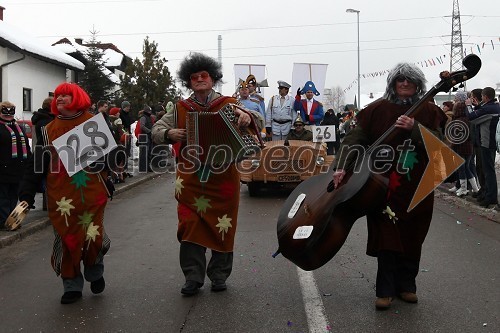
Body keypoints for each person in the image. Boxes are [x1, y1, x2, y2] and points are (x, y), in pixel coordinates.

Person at [332, 62, 446, 310]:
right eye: (400, 79)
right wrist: (341, 166)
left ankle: (407, 286)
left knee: (414, 235)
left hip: (418, 184)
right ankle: (384, 289)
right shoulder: (376, 109)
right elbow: (354, 139)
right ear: (393, 83)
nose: (404, 83)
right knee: (387, 234)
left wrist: (415, 128)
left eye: (410, 79)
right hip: (382, 184)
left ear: (418, 84)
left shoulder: (429, 111)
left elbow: (440, 144)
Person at [152, 52, 258, 296]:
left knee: (224, 225)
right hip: (190, 178)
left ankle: (219, 275)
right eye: (194, 77)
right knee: (189, 226)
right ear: (188, 82)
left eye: (204, 75)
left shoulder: (229, 103)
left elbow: (258, 119)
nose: (199, 79)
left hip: (222, 178)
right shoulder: (180, 108)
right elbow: (157, 128)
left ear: (212, 79)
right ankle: (193, 277)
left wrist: (247, 115)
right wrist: (169, 135)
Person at [18, 83, 112, 304]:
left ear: (77, 98)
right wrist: (26, 195)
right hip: (61, 196)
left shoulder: (92, 122)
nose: (59, 99)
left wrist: (109, 173)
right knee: (66, 238)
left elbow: (110, 157)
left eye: (65, 96)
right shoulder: (47, 129)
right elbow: (37, 164)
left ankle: (95, 270)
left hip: (91, 192)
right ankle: (71, 285)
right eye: (58, 96)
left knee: (93, 235)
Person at [0, 101, 31, 231]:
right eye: (5, 112)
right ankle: (3, 222)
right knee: (3, 198)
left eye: (11, 112)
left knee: (13, 197)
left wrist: (30, 162)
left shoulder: (18, 128)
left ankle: (11, 221)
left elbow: (26, 148)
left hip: (18, 169)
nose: (8, 115)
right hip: (2, 170)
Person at [467, 86, 500, 208]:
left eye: (482, 97)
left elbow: (472, 117)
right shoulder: (495, 106)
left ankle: (491, 196)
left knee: (488, 171)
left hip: (486, 142)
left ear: (485, 97)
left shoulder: (488, 108)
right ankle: (488, 193)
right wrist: (477, 106)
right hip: (491, 142)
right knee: (486, 169)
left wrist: (470, 106)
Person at [451, 91, 480, 197]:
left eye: (456, 99)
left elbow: (456, 135)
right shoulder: (467, 116)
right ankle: (475, 188)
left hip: (461, 145)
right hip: (468, 145)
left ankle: (463, 189)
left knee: (462, 168)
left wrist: (453, 145)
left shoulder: (459, 118)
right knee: (467, 167)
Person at [119, 100, 134, 178]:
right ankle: (123, 170)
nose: (129, 108)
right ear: (124, 107)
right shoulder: (121, 114)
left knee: (127, 152)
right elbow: (121, 126)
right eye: (127, 107)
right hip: (123, 135)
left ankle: (126, 169)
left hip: (128, 133)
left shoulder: (128, 114)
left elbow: (131, 122)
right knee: (123, 153)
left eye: (129, 107)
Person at [138, 105, 154, 173]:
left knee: (148, 152)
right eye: (149, 111)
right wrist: (149, 131)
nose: (150, 112)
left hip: (148, 136)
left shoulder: (148, 117)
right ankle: (143, 167)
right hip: (144, 136)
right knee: (144, 153)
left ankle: (147, 166)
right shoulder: (143, 117)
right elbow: (142, 126)